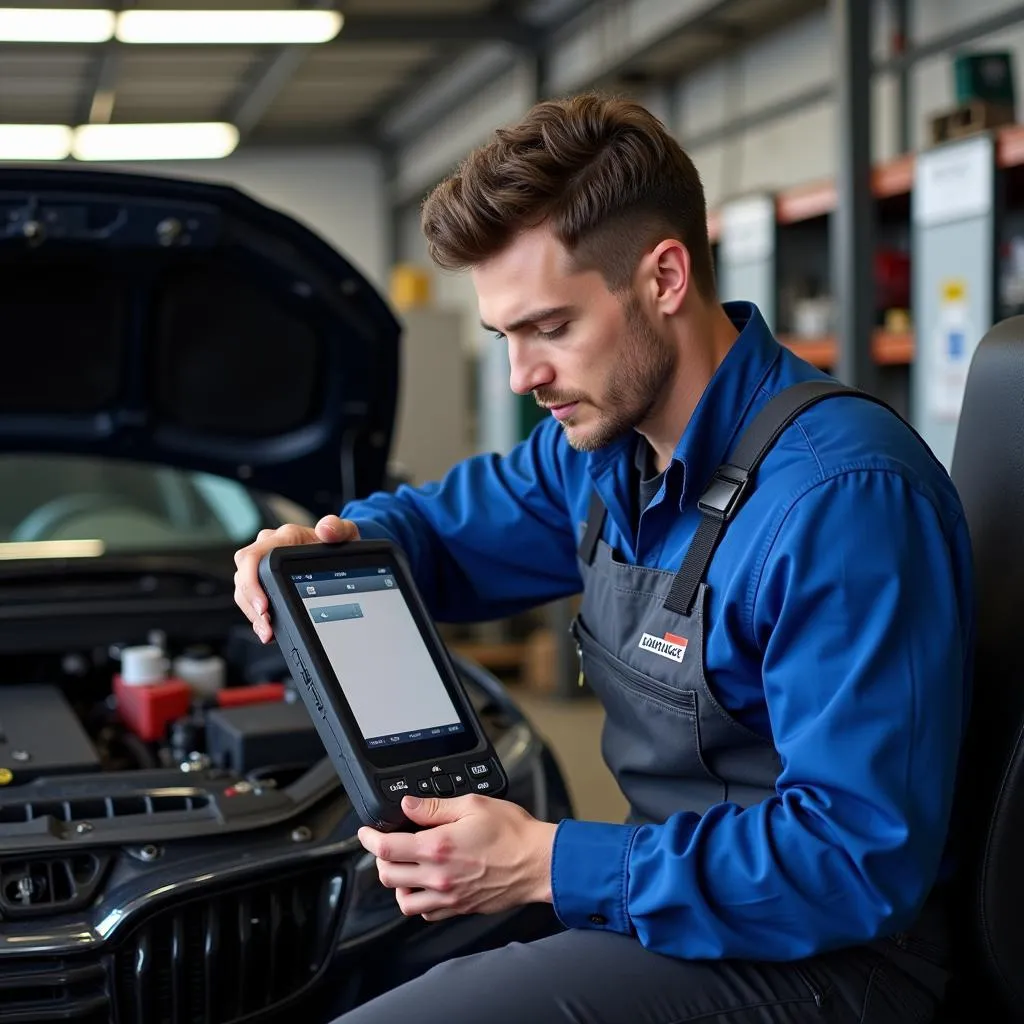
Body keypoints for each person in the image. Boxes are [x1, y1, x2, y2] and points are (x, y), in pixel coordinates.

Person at [233, 93, 974, 1023]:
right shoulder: (602, 456)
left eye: (551, 327)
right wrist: (316, 546)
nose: (521, 377)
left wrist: (543, 861)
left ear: (665, 278)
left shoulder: (841, 501)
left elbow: (854, 861)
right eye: (505, 336)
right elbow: (432, 533)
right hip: (676, 907)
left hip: (839, 959)